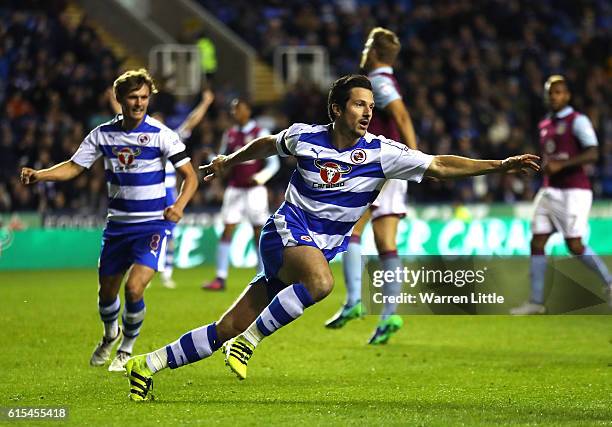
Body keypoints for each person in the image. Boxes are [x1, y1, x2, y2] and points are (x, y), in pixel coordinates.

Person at [124, 74, 538, 401]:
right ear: (338, 109)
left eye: (371, 107)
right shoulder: (305, 137)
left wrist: (499, 165)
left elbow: (441, 165)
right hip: (285, 233)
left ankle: (149, 364)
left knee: (225, 327)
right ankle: (250, 342)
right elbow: (268, 143)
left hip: (311, 250)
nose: (367, 113)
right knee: (322, 284)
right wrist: (229, 161)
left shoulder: (381, 152)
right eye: (360, 104)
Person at [21, 69, 199, 372]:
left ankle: (126, 348)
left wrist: (179, 205)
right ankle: (109, 334)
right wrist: (41, 175)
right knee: (106, 294)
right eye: (133, 97)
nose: (139, 103)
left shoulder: (161, 134)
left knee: (134, 289)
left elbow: (190, 176)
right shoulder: (103, 134)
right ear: (119, 99)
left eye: (144, 97)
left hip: (152, 225)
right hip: (118, 226)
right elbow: (75, 167)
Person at [325, 27, 418, 344]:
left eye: (366, 45)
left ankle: (353, 301)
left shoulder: (377, 82)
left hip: (379, 165)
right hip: (393, 166)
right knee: (387, 245)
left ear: (374, 52)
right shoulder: (389, 80)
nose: (362, 50)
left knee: (351, 231)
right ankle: (389, 313)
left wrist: (416, 158)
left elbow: (402, 117)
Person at [511, 75, 612, 315]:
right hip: (549, 190)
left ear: (566, 96)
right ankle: (536, 302)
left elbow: (593, 153)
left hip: (573, 191)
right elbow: (551, 156)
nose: (553, 96)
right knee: (537, 241)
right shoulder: (544, 123)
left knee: (574, 245)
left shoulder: (578, 121)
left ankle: (609, 282)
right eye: (549, 92)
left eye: (557, 92)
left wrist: (563, 166)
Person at [109, 87, 215, 288]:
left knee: (169, 232)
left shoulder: (170, 138)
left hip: (167, 192)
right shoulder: (138, 137)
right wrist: (114, 99)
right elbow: (121, 115)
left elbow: (191, 121)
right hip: (146, 190)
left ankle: (166, 273)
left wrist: (206, 103)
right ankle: (140, 273)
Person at [201, 98, 280, 291]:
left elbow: (274, 163)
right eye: (233, 109)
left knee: (258, 232)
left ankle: (263, 275)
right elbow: (221, 158)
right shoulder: (230, 134)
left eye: (238, 108)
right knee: (227, 229)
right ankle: (220, 277)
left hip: (255, 190)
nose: (234, 112)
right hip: (235, 189)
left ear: (248, 110)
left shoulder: (260, 133)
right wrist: (211, 158)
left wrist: (261, 177)